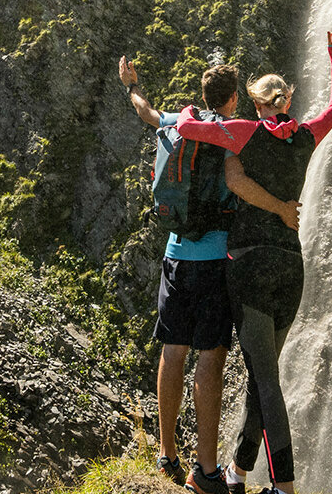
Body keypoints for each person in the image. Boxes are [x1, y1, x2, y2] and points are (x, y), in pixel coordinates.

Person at [174, 24, 332, 494]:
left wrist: (189, 112)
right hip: (292, 267)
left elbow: (188, 128)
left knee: (267, 383)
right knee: (261, 376)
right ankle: (238, 472)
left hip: (249, 266)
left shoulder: (246, 133)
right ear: (287, 101)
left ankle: (285, 487)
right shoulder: (306, 136)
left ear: (256, 103)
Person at [118, 56, 241, 494]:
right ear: (231, 98)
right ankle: (206, 472)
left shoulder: (175, 122)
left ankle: (166, 454)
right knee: (210, 358)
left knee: (173, 352)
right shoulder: (231, 134)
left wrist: (130, 84)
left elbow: (143, 110)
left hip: (175, 255)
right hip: (213, 262)